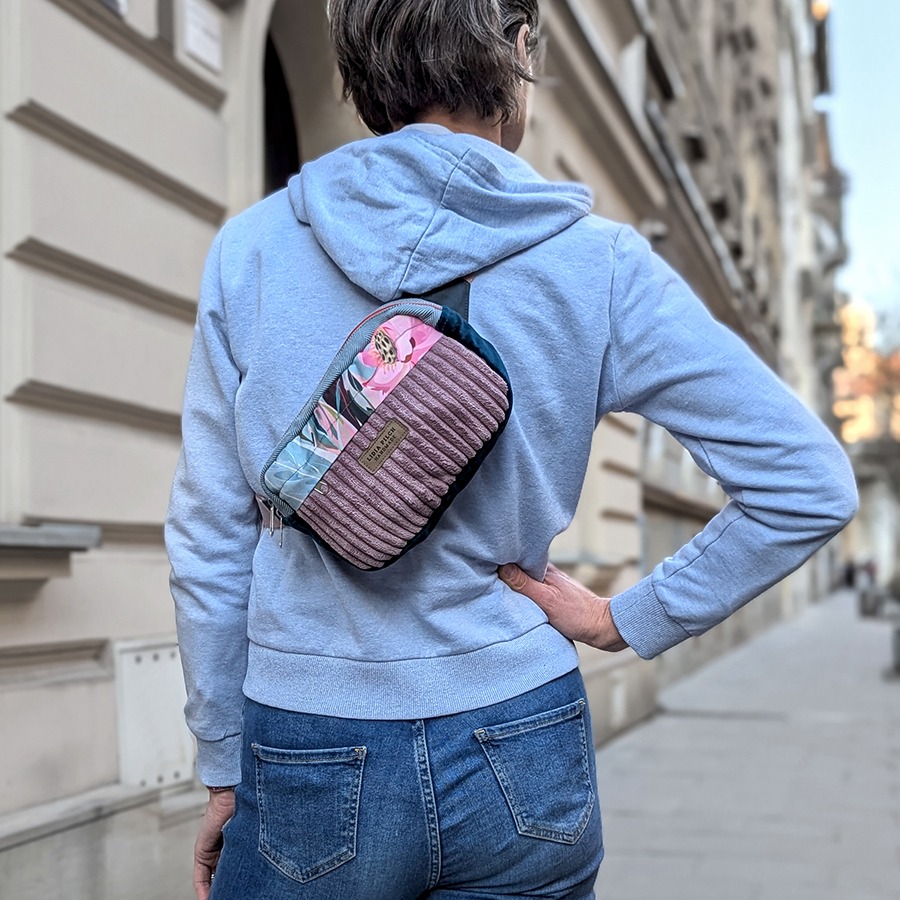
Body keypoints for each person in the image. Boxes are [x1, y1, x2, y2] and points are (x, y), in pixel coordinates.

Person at [165, 1, 858, 897]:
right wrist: (627, 618)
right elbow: (807, 482)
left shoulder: (253, 250)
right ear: (520, 49)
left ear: (358, 63)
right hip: (520, 731)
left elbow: (209, 535)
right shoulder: (599, 264)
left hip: (308, 735)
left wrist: (224, 760)